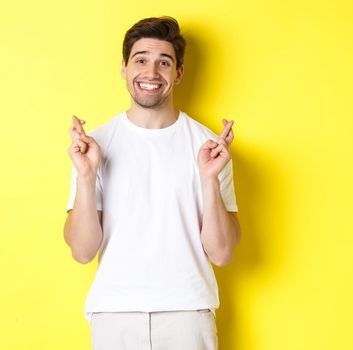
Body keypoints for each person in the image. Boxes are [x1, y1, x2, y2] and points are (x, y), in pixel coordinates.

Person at [63, 16, 240, 350]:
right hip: (114, 315)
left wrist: (209, 179)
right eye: (140, 60)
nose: (151, 73)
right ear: (124, 69)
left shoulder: (209, 148)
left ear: (179, 73)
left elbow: (222, 252)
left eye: (164, 62)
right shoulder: (95, 146)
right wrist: (86, 177)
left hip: (188, 314)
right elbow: (82, 251)